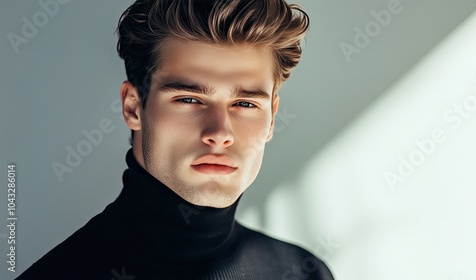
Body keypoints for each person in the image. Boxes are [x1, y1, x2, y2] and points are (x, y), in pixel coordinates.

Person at [16, 0, 334, 279]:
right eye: (189, 100)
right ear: (133, 107)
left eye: (245, 104)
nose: (220, 134)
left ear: (272, 118)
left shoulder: (305, 272)